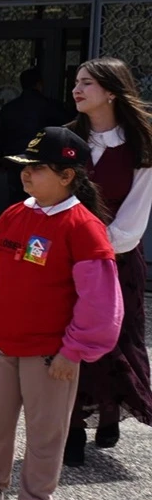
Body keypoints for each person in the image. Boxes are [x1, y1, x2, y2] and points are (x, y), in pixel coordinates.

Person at [0, 126, 121, 500]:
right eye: (24, 167)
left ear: (67, 175)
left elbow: (100, 301)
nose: (26, 175)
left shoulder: (82, 227)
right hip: (1, 345)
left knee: (46, 433)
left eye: (36, 168)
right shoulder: (13, 215)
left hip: (50, 355)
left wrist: (75, 350)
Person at [64, 57, 152, 465]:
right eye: (76, 82)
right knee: (68, 337)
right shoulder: (65, 139)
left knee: (115, 339)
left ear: (112, 91)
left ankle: (110, 411)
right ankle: (72, 428)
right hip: (68, 257)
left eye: (88, 83)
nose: (77, 89)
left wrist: (98, 248)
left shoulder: (141, 145)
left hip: (117, 257)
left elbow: (135, 214)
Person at [0, 68, 74, 205]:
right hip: (44, 164)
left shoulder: (10, 108)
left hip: (15, 162)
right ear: (39, 84)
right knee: (44, 202)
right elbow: (68, 133)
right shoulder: (52, 107)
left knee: (17, 203)